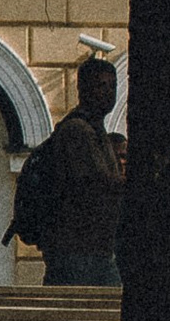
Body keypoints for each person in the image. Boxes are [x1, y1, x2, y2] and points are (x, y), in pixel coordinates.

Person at [19, 56, 127, 285]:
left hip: (93, 249)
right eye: (100, 85)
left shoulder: (97, 131)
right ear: (82, 89)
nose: (107, 92)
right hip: (77, 249)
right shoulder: (78, 131)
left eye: (112, 86)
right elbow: (97, 183)